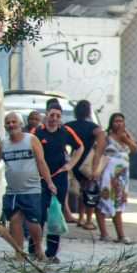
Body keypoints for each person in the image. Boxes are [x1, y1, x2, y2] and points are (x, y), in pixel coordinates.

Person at [0, 112, 54, 260]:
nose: (11, 125)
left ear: (20, 124)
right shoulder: (3, 144)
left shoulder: (31, 140)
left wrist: (49, 182)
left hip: (31, 189)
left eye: (13, 122)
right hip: (13, 191)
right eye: (8, 123)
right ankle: (19, 252)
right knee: (15, 220)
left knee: (33, 222)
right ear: (5, 126)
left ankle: (38, 247)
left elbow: (41, 162)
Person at [31, 102, 84, 263]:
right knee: (38, 213)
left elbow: (80, 147)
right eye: (52, 115)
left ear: (61, 118)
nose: (54, 119)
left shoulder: (66, 131)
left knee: (55, 214)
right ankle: (35, 249)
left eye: (58, 116)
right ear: (46, 115)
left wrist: (70, 165)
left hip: (59, 177)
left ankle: (51, 252)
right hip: (40, 179)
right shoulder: (37, 132)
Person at [96, 112, 137, 243]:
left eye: (121, 121)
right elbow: (98, 153)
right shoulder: (106, 136)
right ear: (111, 123)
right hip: (108, 175)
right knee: (104, 201)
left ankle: (121, 235)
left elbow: (135, 149)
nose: (119, 123)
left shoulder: (126, 135)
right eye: (116, 121)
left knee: (119, 203)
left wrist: (126, 139)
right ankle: (104, 233)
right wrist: (95, 171)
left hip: (122, 177)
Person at [66, 100, 104, 231]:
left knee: (81, 191)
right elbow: (101, 142)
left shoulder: (69, 126)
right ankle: (88, 220)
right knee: (90, 191)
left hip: (75, 161)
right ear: (88, 112)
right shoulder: (93, 127)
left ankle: (81, 218)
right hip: (88, 163)